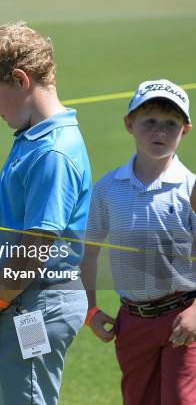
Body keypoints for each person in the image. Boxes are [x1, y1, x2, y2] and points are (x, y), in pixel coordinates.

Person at [0, 22, 91, 405]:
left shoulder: (53, 152)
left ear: (20, 80)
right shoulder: (32, 137)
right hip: (11, 298)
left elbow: (36, 245)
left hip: (33, 303)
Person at [81, 79, 195, 405]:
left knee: (181, 400)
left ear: (185, 130)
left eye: (171, 124)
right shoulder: (108, 188)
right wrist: (90, 309)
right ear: (129, 124)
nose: (160, 131)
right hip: (132, 320)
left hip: (183, 317)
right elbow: (87, 252)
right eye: (149, 122)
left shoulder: (190, 189)